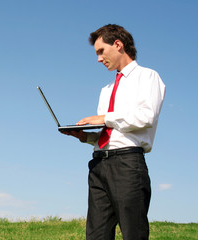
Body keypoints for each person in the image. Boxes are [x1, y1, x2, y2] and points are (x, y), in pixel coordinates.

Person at [61, 24, 166, 240]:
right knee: (96, 235)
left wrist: (104, 118)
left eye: (101, 51)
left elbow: (146, 117)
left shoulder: (147, 77)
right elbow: (110, 132)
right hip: (99, 165)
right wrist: (86, 136)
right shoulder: (105, 90)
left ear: (118, 45)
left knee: (133, 233)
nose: (99, 59)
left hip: (127, 164)